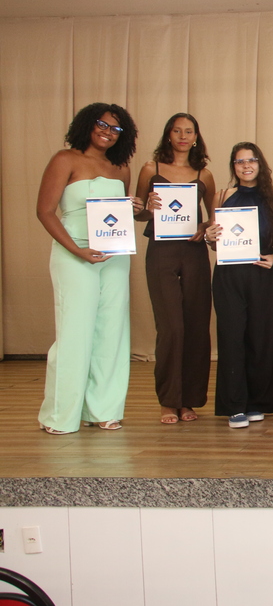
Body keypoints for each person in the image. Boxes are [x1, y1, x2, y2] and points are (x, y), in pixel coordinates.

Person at [36, 103, 141, 434]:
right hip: (75, 253)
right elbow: (45, 211)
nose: (108, 132)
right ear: (87, 124)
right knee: (74, 334)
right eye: (102, 124)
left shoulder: (120, 168)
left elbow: (119, 214)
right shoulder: (65, 159)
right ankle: (60, 416)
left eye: (116, 129)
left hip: (114, 257)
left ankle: (103, 410)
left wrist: (135, 207)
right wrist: (77, 250)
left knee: (112, 331)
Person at [134, 113, 215, 425]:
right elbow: (139, 213)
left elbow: (213, 217)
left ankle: (189, 400)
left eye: (189, 131)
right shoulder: (150, 169)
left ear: (196, 137)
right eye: (177, 131)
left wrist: (205, 227)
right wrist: (146, 207)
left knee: (196, 327)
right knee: (171, 328)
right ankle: (169, 401)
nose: (183, 136)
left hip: (194, 252)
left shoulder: (204, 174)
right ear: (168, 135)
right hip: (161, 252)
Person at [205, 142, 273, 428]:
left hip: (263, 273)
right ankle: (234, 405)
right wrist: (210, 237)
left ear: (260, 163)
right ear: (234, 166)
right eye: (240, 161)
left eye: (251, 160)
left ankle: (258, 402)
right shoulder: (222, 196)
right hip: (229, 275)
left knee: (262, 339)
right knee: (232, 338)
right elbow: (215, 242)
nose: (246, 166)